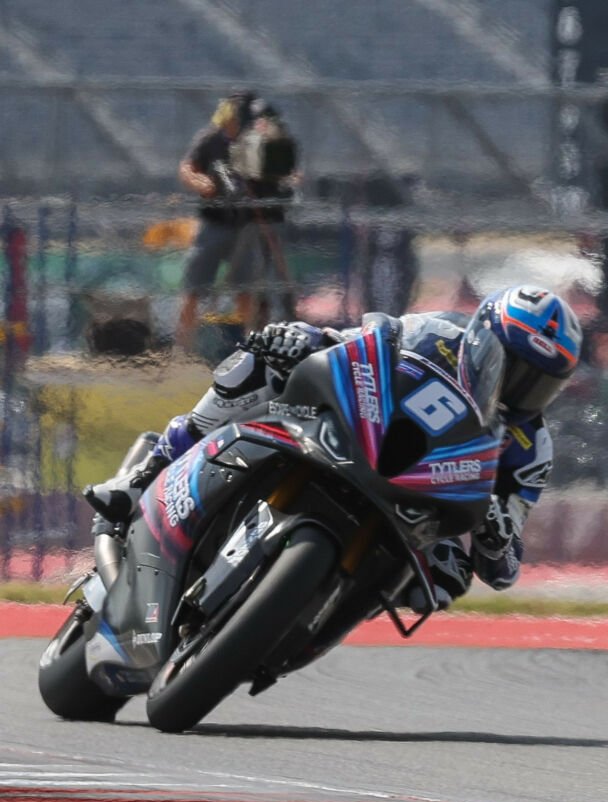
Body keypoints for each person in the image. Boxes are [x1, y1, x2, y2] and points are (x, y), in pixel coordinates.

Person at [87, 285, 582, 609]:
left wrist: (497, 536)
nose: (520, 391)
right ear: (482, 339)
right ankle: (144, 477)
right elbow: (353, 344)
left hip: (422, 510)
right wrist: (305, 340)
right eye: (513, 369)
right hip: (364, 437)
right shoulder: (435, 335)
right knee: (271, 355)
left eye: (539, 383)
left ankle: (315, 615)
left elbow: (506, 565)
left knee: (446, 579)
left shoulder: (530, 447)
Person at [177, 91, 300, 355]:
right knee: (194, 288)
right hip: (214, 221)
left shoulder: (259, 141)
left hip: (248, 224)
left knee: (246, 290)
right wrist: (200, 182)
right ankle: (182, 349)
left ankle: (251, 348)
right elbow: (188, 166)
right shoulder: (211, 139)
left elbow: (286, 174)